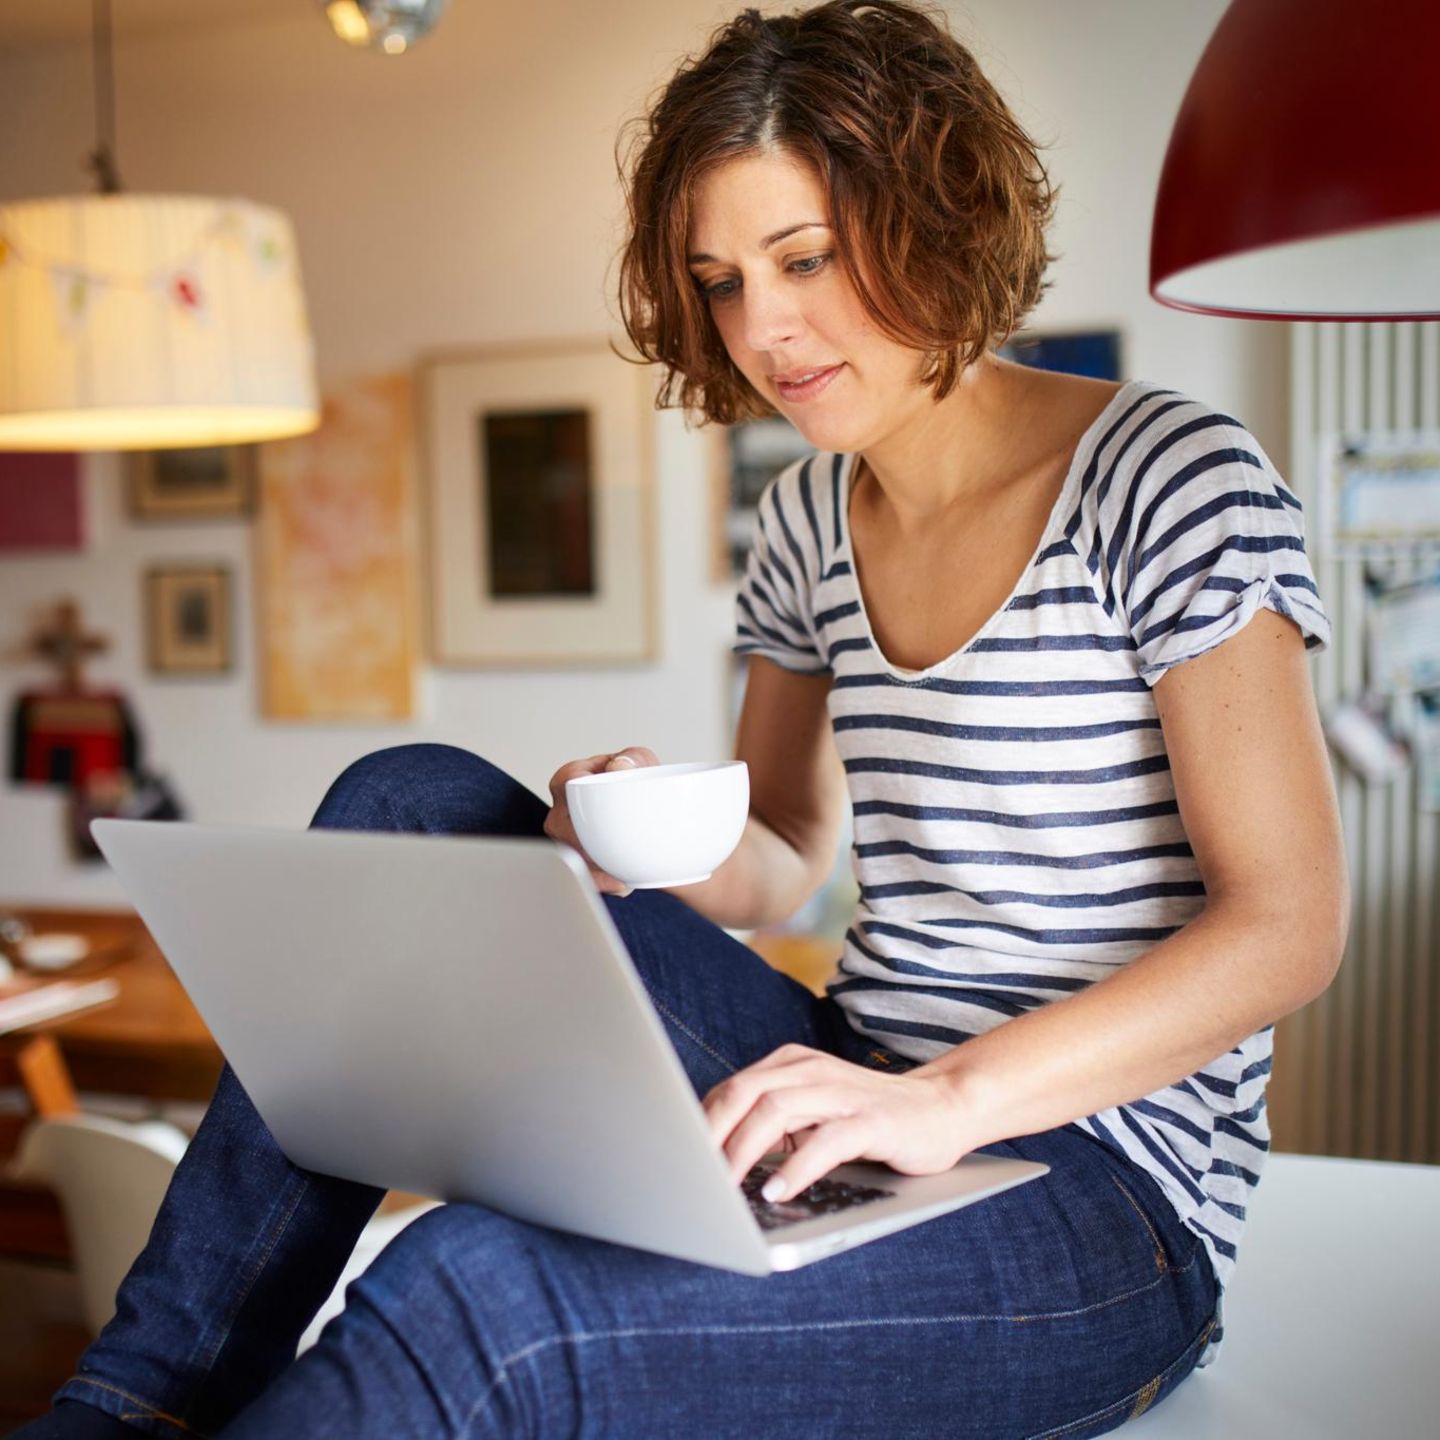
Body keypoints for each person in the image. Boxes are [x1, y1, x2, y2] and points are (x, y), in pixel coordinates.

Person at [15, 2, 1348, 1436]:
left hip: (1102, 1201)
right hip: (857, 1085)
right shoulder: (806, 518)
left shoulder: (1165, 476)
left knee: (476, 1293)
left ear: (937, 215)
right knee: (410, 800)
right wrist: (622, 841)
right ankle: (130, 1409)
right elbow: (780, 851)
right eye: (719, 281)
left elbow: (1286, 923)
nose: (761, 328)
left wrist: (951, 1102)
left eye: (803, 259)